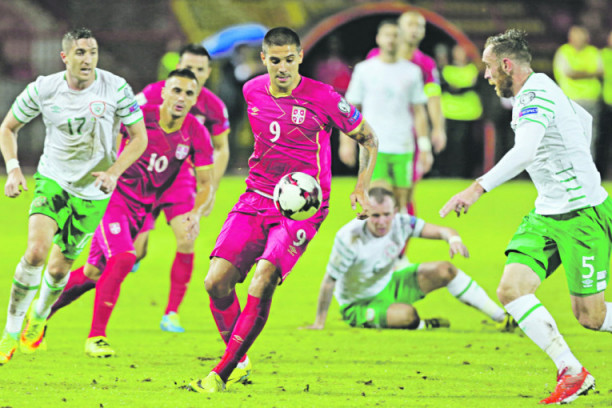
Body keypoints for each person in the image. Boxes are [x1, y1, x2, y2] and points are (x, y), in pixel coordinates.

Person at [188, 27, 378, 393]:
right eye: (275, 60)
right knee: (215, 282)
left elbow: (368, 138)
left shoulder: (324, 97)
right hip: (256, 196)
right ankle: (240, 359)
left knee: (263, 279)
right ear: (263, 59)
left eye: (290, 59)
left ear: (300, 57)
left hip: (303, 207)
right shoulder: (251, 90)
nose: (283, 68)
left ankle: (221, 373)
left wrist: (361, 187)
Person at [440, 28, 612, 405]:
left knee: (592, 317)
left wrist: (476, 188)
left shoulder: (534, 95)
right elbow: (582, 119)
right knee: (511, 290)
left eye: (489, 67)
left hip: (582, 216)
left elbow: (525, 152)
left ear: (506, 65)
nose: (486, 75)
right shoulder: (540, 87)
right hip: (546, 212)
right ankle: (572, 371)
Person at [49, 44, 230, 333]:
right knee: (109, 264)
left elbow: (219, 153)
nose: (190, 79)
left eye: (198, 71)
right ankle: (49, 312)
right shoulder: (147, 102)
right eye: (187, 69)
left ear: (207, 74)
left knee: (184, 237)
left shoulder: (211, 112)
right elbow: (113, 125)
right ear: (171, 77)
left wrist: (203, 201)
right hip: (132, 185)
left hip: (177, 179)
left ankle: (170, 313)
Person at [0, 28, 147, 365]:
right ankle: (9, 333)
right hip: (53, 179)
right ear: (65, 57)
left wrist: (114, 172)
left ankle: (39, 316)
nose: (88, 59)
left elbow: (139, 137)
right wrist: (13, 168)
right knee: (36, 252)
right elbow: (8, 127)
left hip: (93, 191)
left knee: (57, 270)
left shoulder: (116, 87)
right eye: (80, 52)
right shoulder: (44, 88)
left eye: (92, 52)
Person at [306, 187, 509, 331]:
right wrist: (319, 322)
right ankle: (423, 325)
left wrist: (453, 240)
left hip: (390, 285)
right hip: (358, 304)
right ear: (365, 213)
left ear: (395, 212)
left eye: (387, 214)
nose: (382, 221)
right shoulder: (350, 237)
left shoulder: (402, 223)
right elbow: (329, 280)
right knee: (407, 316)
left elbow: (442, 230)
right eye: (375, 216)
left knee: (445, 270)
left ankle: (501, 317)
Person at [341, 20, 428, 212]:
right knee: (375, 199)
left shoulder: (412, 71)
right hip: (373, 145)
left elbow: (419, 111)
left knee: (402, 202)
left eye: (395, 35)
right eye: (387, 35)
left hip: (403, 145)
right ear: (378, 39)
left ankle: (400, 231)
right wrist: (346, 143)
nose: (391, 40)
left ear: (402, 39)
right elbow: (350, 109)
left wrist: (424, 146)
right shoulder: (364, 70)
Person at [553, 26, 603, 159]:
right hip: (570, 100)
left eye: (582, 36)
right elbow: (568, 73)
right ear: (570, 38)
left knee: (590, 134)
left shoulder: (592, 51)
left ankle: (587, 165)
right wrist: (588, 72)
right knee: (569, 133)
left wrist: (577, 72)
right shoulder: (564, 51)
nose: (579, 39)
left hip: (590, 100)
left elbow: (600, 70)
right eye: (576, 36)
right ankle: (570, 165)